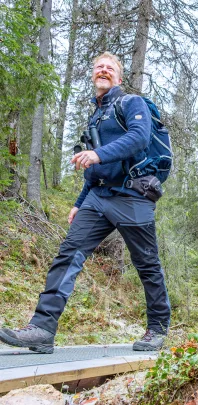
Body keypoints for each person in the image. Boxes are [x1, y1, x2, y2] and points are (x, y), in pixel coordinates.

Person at [0, 52, 171, 354]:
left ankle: (156, 329)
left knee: (146, 264)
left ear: (118, 77)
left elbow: (140, 138)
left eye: (110, 68)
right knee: (67, 257)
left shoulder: (132, 103)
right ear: (93, 75)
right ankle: (42, 329)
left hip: (133, 196)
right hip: (98, 197)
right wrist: (80, 201)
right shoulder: (97, 114)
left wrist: (98, 154)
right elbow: (93, 166)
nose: (103, 71)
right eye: (98, 68)